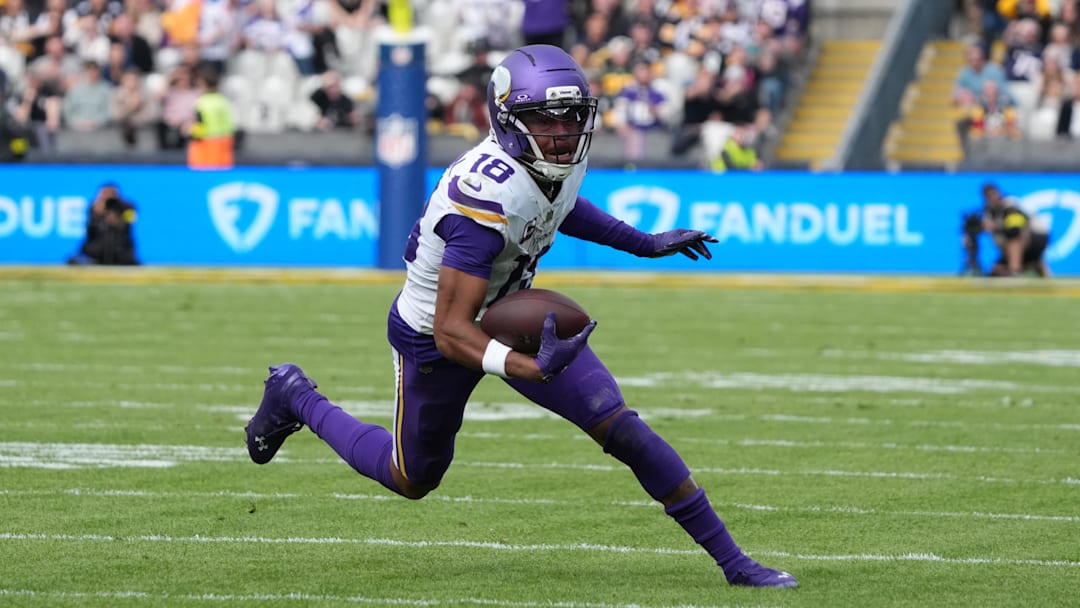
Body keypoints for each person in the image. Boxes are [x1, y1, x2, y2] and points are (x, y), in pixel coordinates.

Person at [244, 44, 798, 590]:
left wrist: (644, 243)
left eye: (572, 118)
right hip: (434, 338)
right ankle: (297, 396)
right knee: (411, 478)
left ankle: (736, 564)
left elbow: (560, 205)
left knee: (620, 426)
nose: (561, 133)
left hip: (513, 316)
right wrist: (525, 368)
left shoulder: (549, 161)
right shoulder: (482, 200)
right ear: (508, 119)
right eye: (543, 119)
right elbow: (452, 330)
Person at [980, 182, 1050, 276]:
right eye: (989, 196)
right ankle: (1034, 264)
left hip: (1037, 237)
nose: (993, 198)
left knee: (1013, 237)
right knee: (996, 270)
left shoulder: (1010, 204)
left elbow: (1015, 228)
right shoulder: (989, 211)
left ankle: (1015, 270)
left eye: (994, 194)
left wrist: (994, 227)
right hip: (1022, 245)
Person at [67, 182, 139, 265]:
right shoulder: (94, 207)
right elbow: (89, 231)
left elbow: (130, 223)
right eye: (104, 194)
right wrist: (97, 215)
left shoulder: (128, 207)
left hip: (121, 251)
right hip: (96, 252)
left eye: (110, 194)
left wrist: (117, 218)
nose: (107, 198)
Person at [186, 62, 235, 169]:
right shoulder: (223, 101)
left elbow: (200, 125)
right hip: (225, 142)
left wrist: (189, 130)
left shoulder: (201, 102)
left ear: (203, 84)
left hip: (207, 144)